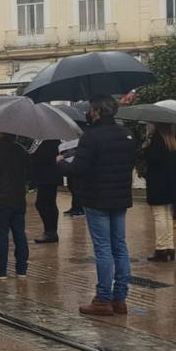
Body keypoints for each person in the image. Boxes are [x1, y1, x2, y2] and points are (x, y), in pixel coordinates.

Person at [60, 95, 137, 317]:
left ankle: (103, 299)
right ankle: (120, 298)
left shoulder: (91, 136)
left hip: (96, 198)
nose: (88, 113)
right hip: (120, 197)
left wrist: (62, 164)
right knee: (120, 246)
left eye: (90, 110)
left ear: (96, 112)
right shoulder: (126, 134)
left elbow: (79, 169)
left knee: (103, 249)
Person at [0, 131, 30, 278]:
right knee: (20, 234)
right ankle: (22, 268)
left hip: (0, 200)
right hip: (18, 198)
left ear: (0, 134)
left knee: (1, 235)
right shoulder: (21, 150)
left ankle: (0, 269)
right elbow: (29, 172)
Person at [144, 123, 176, 262]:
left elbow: (152, 158)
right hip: (172, 183)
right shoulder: (174, 139)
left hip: (159, 184)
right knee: (168, 216)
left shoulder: (157, 140)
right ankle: (170, 247)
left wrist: (146, 147)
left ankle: (161, 248)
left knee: (159, 216)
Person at [30, 139, 62, 243]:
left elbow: (46, 157)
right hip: (44, 177)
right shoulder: (40, 141)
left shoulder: (52, 141)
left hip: (49, 177)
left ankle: (51, 232)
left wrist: (33, 156)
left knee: (43, 204)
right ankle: (50, 231)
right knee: (48, 203)